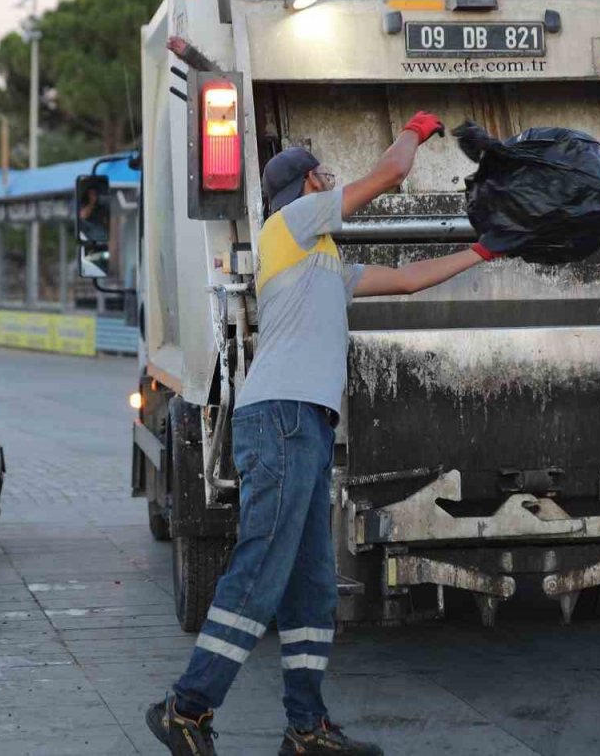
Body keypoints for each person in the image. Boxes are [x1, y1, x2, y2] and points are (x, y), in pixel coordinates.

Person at [147, 113, 497, 756]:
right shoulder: (289, 226)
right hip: (279, 418)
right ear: (306, 185)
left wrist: (484, 250)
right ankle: (185, 708)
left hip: (304, 422)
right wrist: (416, 130)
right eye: (323, 174)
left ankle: (306, 728)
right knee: (262, 569)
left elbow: (411, 279)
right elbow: (389, 173)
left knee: (310, 583)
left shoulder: (325, 263)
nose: (330, 181)